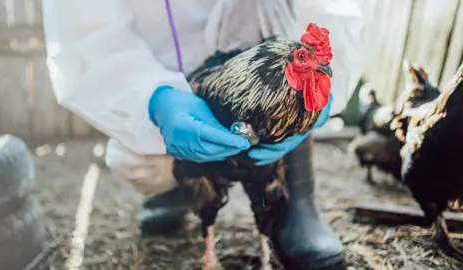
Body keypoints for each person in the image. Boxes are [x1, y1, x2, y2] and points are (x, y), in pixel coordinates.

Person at [42, 0, 364, 268]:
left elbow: (331, 6)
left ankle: (294, 203)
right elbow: (87, 32)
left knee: (275, 151)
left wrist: (321, 96)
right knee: (138, 158)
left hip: (269, 69)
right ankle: (179, 194)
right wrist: (154, 99)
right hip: (163, 66)